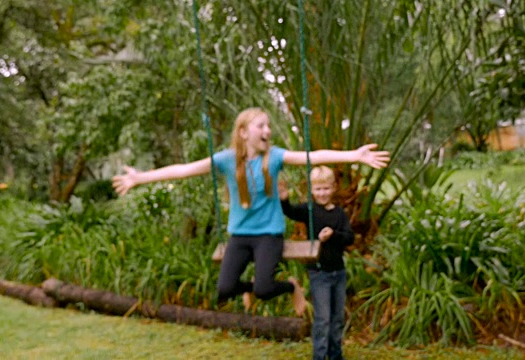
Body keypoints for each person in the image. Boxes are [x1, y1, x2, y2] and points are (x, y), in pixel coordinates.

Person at [112, 107, 389, 316]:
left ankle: (291, 286)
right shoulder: (226, 160)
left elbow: (312, 156)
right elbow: (184, 170)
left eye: (268, 125)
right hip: (240, 235)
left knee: (265, 289)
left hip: (269, 234)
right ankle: (253, 289)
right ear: (244, 132)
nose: (267, 130)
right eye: (261, 125)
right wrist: (140, 178)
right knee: (225, 289)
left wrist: (354, 155)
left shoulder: (275, 157)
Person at [279, 166, 353, 360]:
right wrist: (284, 198)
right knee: (323, 319)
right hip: (319, 273)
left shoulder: (339, 213)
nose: (322, 193)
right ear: (312, 190)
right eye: (318, 189)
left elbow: (349, 237)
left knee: (337, 319)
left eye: (326, 188)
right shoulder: (309, 210)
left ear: (334, 188)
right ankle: (319, 356)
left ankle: (336, 355)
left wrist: (333, 234)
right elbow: (290, 212)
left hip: (339, 272)